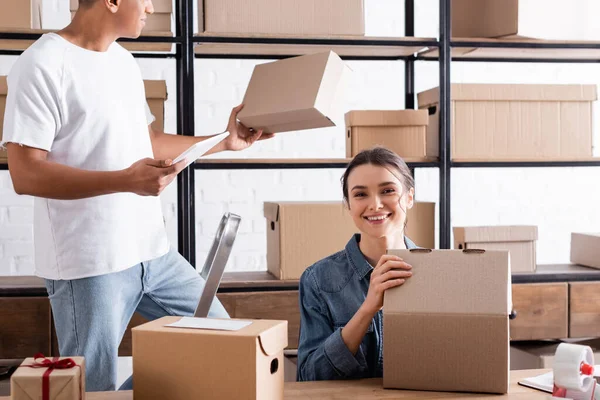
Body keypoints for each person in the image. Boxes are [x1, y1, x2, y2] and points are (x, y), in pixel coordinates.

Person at [1, 0, 273, 392]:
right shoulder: (40, 64)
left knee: (223, 341)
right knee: (94, 388)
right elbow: (25, 173)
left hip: (152, 253)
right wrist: (124, 181)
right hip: (90, 265)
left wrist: (223, 141)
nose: (149, 6)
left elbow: (150, 142)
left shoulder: (124, 62)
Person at [297, 146, 418, 381]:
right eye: (361, 194)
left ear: (409, 197)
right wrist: (368, 308)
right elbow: (309, 377)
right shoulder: (318, 279)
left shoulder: (440, 271)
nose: (375, 205)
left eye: (388, 191)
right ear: (349, 204)